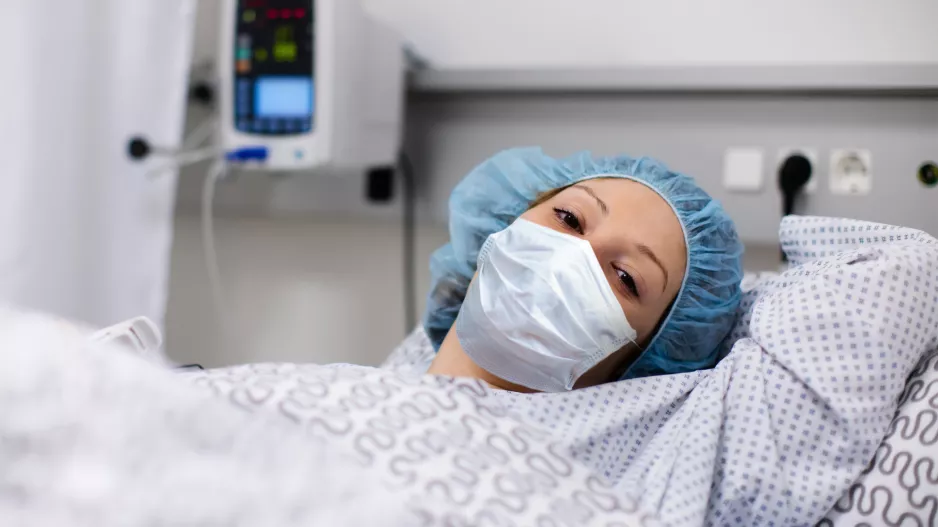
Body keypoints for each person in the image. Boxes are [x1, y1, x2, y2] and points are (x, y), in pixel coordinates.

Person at [424, 148, 744, 392]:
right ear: (511, 217)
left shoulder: (553, 479)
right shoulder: (374, 395)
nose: (568, 259)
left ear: (637, 366)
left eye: (625, 277)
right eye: (569, 218)